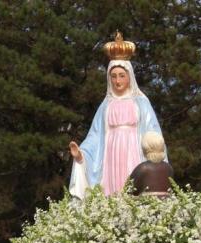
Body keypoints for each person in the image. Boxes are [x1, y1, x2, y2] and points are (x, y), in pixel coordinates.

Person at [69, 32, 165, 199]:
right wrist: (81, 155)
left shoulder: (141, 103)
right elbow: (95, 136)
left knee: (133, 188)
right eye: (113, 76)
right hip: (111, 154)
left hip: (134, 150)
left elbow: (153, 133)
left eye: (121, 76)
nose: (117, 80)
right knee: (113, 192)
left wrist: (154, 154)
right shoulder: (106, 105)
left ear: (130, 76)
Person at [129, 131, 174, 196]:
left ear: (145, 147)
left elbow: (129, 189)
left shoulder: (143, 168)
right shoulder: (169, 168)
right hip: (166, 204)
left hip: (145, 204)